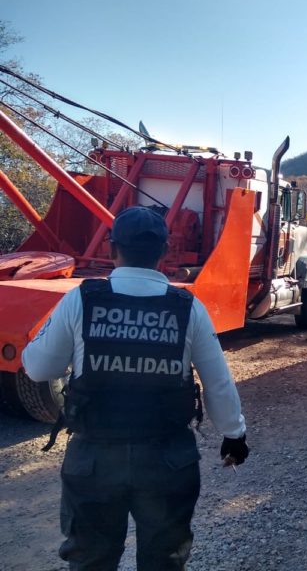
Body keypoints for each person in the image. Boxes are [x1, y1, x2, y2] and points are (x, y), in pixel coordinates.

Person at [22, 205, 250, 570]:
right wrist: (234, 435)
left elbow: (37, 368)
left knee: (91, 560)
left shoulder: (81, 300)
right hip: (166, 460)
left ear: (113, 249)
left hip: (95, 458)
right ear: (164, 253)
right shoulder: (187, 307)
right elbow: (217, 381)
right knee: (163, 560)